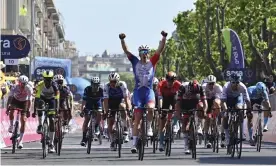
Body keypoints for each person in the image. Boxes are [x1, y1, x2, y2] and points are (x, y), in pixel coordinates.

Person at [119, 31, 167, 153]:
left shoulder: (152, 61)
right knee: (137, 119)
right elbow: (126, 51)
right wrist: (122, 40)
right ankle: (134, 144)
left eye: (146, 52)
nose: (144, 54)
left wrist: (164, 37)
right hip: (138, 93)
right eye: (142, 52)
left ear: (148, 53)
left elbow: (160, 49)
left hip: (149, 91)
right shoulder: (135, 61)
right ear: (139, 54)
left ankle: (150, 127)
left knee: (151, 108)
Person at [103, 72, 131, 151]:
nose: (112, 83)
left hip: (120, 100)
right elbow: (105, 101)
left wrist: (129, 109)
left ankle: (125, 129)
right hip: (111, 102)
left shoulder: (122, 85)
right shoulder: (106, 86)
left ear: (118, 81)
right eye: (111, 81)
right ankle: (112, 140)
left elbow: (126, 99)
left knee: (123, 107)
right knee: (110, 123)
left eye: (114, 81)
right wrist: (106, 111)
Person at [221, 73, 251, 145]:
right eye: (233, 82)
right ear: (230, 82)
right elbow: (223, 102)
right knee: (225, 116)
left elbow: (247, 100)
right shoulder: (226, 86)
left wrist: (248, 111)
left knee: (240, 109)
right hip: (228, 100)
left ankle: (240, 131)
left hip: (238, 98)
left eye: (237, 82)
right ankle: (227, 136)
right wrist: (225, 110)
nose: (235, 84)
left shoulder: (242, 87)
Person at [33, 71, 59, 153]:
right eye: (46, 80)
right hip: (42, 98)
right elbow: (36, 99)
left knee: (51, 120)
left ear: (52, 79)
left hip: (52, 99)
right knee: (40, 104)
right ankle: (40, 125)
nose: (47, 81)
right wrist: (35, 111)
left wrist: (57, 109)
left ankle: (51, 144)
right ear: (43, 79)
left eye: (49, 80)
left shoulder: (55, 86)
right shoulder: (40, 85)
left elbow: (57, 99)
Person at [6, 75, 33, 149]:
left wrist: (29, 110)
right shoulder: (15, 87)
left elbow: (30, 100)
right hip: (15, 100)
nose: (23, 85)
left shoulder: (29, 88)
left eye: (24, 84)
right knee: (11, 110)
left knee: (23, 120)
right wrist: (7, 107)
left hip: (24, 102)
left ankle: (20, 140)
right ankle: (11, 125)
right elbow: (10, 97)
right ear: (19, 82)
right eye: (21, 83)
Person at [158, 71, 181, 151]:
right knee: (163, 119)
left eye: (172, 81)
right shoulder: (161, 84)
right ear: (166, 80)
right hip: (165, 99)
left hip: (174, 98)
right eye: (168, 81)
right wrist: (160, 108)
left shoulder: (178, 85)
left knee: (177, 103)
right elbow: (160, 98)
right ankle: (161, 142)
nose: (170, 83)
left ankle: (175, 123)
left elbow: (181, 98)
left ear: (174, 81)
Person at [80, 77, 103, 146]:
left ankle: (96, 126)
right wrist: (82, 110)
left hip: (97, 102)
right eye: (94, 84)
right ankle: (84, 138)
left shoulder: (101, 90)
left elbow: (103, 101)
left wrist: (104, 110)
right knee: (86, 119)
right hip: (89, 103)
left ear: (99, 84)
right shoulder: (87, 89)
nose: (95, 86)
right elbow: (84, 100)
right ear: (91, 84)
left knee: (100, 112)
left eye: (97, 84)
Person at [202, 75, 223, 148]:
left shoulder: (218, 87)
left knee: (216, 104)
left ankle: (216, 123)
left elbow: (219, 100)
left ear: (215, 83)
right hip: (207, 101)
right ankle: (207, 134)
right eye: (209, 83)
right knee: (207, 118)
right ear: (207, 83)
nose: (211, 85)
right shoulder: (204, 87)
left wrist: (218, 111)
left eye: (212, 83)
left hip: (215, 101)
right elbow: (202, 99)